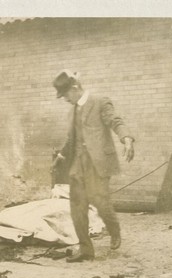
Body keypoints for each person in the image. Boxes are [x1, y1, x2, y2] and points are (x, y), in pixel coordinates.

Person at [52, 70, 134, 263]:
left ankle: (114, 230)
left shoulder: (100, 102)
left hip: (97, 164)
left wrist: (127, 138)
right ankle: (86, 249)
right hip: (78, 165)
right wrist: (61, 156)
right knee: (76, 207)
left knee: (101, 203)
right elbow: (72, 137)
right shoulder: (73, 110)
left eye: (65, 94)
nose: (64, 99)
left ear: (75, 88)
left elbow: (115, 121)